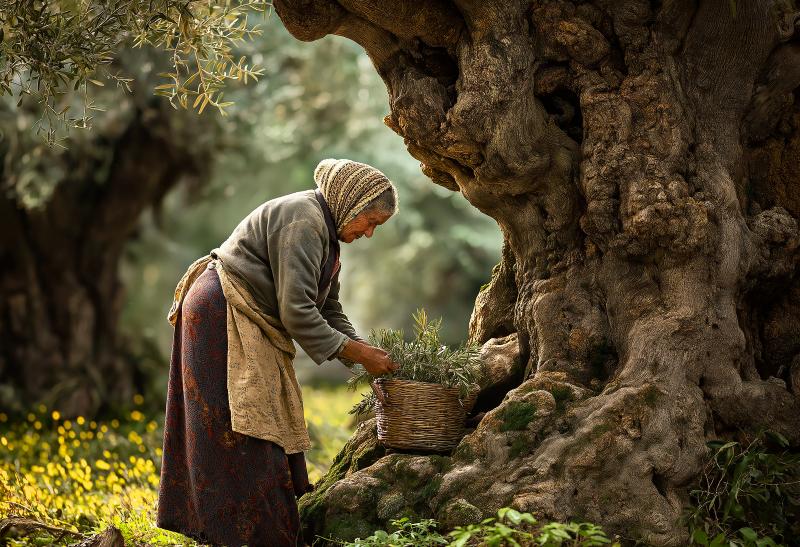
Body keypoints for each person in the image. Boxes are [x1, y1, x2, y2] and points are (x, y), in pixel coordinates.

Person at [157, 158, 400, 546]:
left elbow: (327, 307)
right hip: (222, 312)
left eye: (376, 227)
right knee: (240, 424)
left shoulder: (328, 237)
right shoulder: (304, 220)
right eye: (369, 222)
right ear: (351, 204)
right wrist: (359, 355)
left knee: (260, 419)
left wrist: (363, 349)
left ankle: (262, 533)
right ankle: (238, 534)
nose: (369, 233)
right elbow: (297, 311)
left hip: (244, 314)